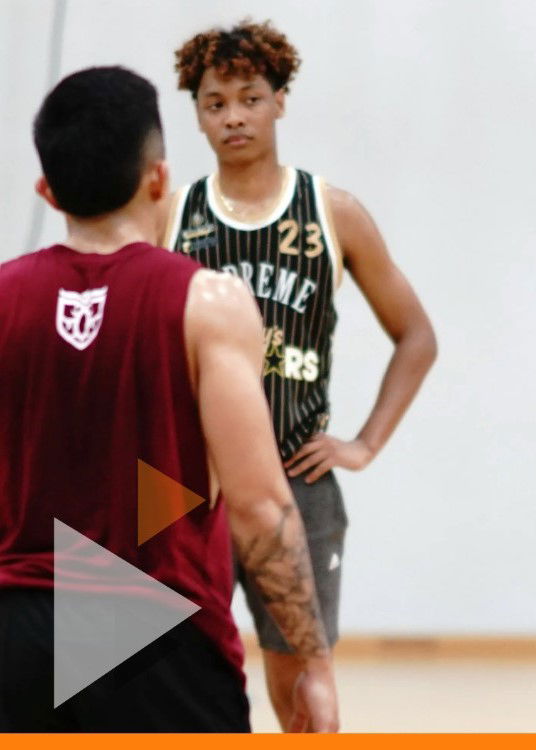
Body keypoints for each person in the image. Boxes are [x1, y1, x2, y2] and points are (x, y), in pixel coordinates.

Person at [0, 66, 337, 732]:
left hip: (14, 637)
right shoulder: (207, 303)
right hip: (159, 639)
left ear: (48, 191)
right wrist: (311, 662)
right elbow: (261, 507)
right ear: (158, 178)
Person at [161, 20, 437, 729]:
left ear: (279, 100)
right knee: (159, 670)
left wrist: (364, 444)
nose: (233, 116)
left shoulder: (331, 212)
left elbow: (416, 337)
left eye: (249, 97)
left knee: (304, 682)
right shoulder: (172, 214)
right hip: (184, 483)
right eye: (215, 102)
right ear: (195, 113)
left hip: (294, 478)